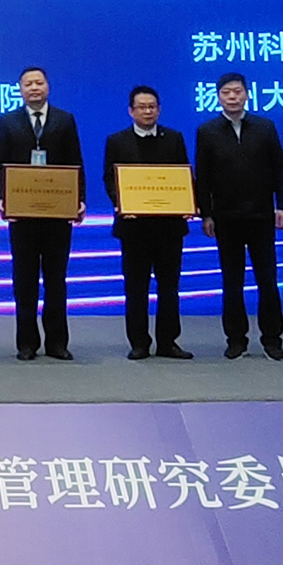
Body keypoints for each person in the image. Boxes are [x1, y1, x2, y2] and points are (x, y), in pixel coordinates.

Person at [195, 72, 283, 360]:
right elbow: (203, 177)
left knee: (267, 280)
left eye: (237, 91)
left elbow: (280, 168)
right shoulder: (207, 131)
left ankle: (272, 340)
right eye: (226, 92)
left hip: (261, 216)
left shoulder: (264, 127)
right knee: (232, 282)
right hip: (225, 218)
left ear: (247, 94)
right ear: (218, 97)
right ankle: (236, 340)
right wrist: (206, 214)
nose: (232, 97)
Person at [0, 66, 85, 361]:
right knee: (25, 280)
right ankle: (27, 343)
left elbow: (75, 162)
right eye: (28, 84)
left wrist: (79, 200)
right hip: (22, 215)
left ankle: (57, 343)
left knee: (56, 279)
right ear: (20, 90)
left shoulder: (64, 120)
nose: (34, 88)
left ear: (48, 86)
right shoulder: (8, 121)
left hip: (57, 214)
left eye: (39, 82)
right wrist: (4, 198)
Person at [103, 86, 193, 361]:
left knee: (169, 287)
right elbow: (110, 178)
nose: (147, 111)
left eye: (152, 106)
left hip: (169, 227)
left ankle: (168, 342)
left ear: (159, 110)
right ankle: (139, 342)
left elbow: (184, 175)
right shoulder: (117, 140)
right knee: (136, 287)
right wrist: (121, 203)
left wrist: (188, 203)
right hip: (134, 227)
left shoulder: (174, 138)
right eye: (141, 107)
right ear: (131, 111)